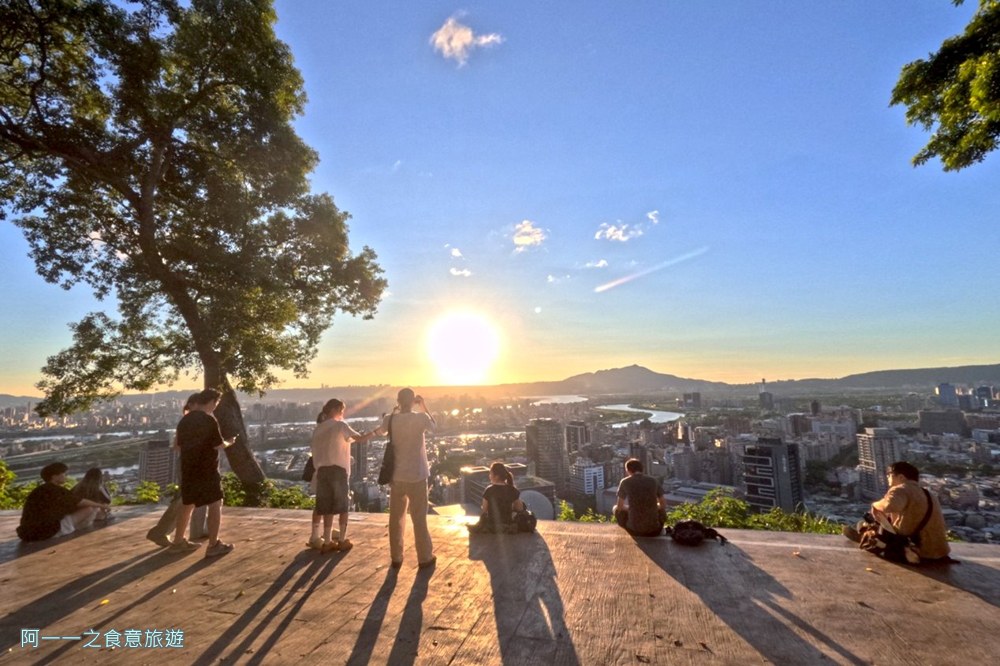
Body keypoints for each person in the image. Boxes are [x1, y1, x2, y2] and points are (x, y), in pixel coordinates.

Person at [170, 388, 235, 558]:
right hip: (207, 469)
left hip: (188, 468)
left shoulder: (184, 421)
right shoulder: (209, 420)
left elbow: (177, 446)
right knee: (215, 504)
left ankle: (178, 541)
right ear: (212, 401)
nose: (215, 407)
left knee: (188, 504)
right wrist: (229, 442)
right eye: (216, 403)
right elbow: (217, 445)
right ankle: (214, 544)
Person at [376, 388, 437, 569]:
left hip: (396, 476)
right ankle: (424, 557)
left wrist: (394, 411)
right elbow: (435, 428)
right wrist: (424, 406)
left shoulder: (390, 419)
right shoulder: (421, 418)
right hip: (417, 475)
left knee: (396, 518)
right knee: (419, 518)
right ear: (413, 401)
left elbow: (381, 431)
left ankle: (396, 557)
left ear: (398, 400)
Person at [307, 399, 376, 553]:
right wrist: (376, 432)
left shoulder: (318, 429)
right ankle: (343, 540)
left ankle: (327, 541)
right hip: (338, 471)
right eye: (342, 410)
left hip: (321, 471)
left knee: (326, 507)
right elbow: (360, 439)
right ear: (336, 409)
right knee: (342, 507)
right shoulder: (340, 425)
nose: (343, 413)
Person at [846, 461, 951, 562]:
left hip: (918, 550)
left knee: (864, 526)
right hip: (940, 552)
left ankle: (864, 536)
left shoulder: (900, 489)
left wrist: (875, 505)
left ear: (901, 477)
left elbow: (889, 505)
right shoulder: (928, 493)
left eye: (889, 474)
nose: (887, 477)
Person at [146, 394, 207, 547]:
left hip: (189, 463)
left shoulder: (189, 421)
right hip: (190, 464)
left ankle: (162, 532)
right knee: (184, 501)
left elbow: (177, 446)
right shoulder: (188, 422)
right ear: (193, 405)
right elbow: (177, 446)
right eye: (199, 405)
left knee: (183, 500)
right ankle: (164, 533)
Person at [17, 462, 110, 542]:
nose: (66, 476)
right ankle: (75, 530)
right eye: (64, 474)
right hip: (46, 531)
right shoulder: (56, 490)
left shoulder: (39, 490)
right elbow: (80, 502)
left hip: (27, 532)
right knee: (89, 508)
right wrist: (101, 505)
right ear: (54, 476)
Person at [614, 458, 667, 537]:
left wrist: (632, 508)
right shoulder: (653, 481)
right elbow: (663, 504)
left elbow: (619, 506)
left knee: (615, 509)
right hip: (654, 531)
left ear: (628, 470)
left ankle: (628, 527)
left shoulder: (625, 482)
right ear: (642, 469)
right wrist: (652, 507)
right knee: (662, 511)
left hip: (634, 530)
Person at [469, 462, 526, 533]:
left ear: (496, 476)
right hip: (507, 524)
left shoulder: (489, 490)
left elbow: (484, 510)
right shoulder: (512, 489)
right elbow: (520, 508)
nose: (489, 476)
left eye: (490, 473)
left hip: (492, 525)